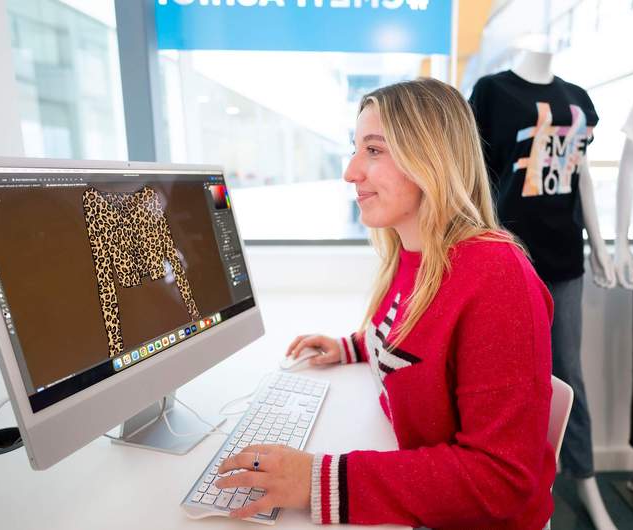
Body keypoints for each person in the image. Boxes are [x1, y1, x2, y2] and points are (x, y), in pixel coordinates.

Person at [215, 78, 556, 529]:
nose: (351, 171)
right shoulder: (413, 252)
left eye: (374, 150)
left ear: (430, 158)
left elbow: (502, 478)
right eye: (356, 149)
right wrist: (352, 346)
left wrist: (318, 479)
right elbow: (417, 340)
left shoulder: (496, 276)